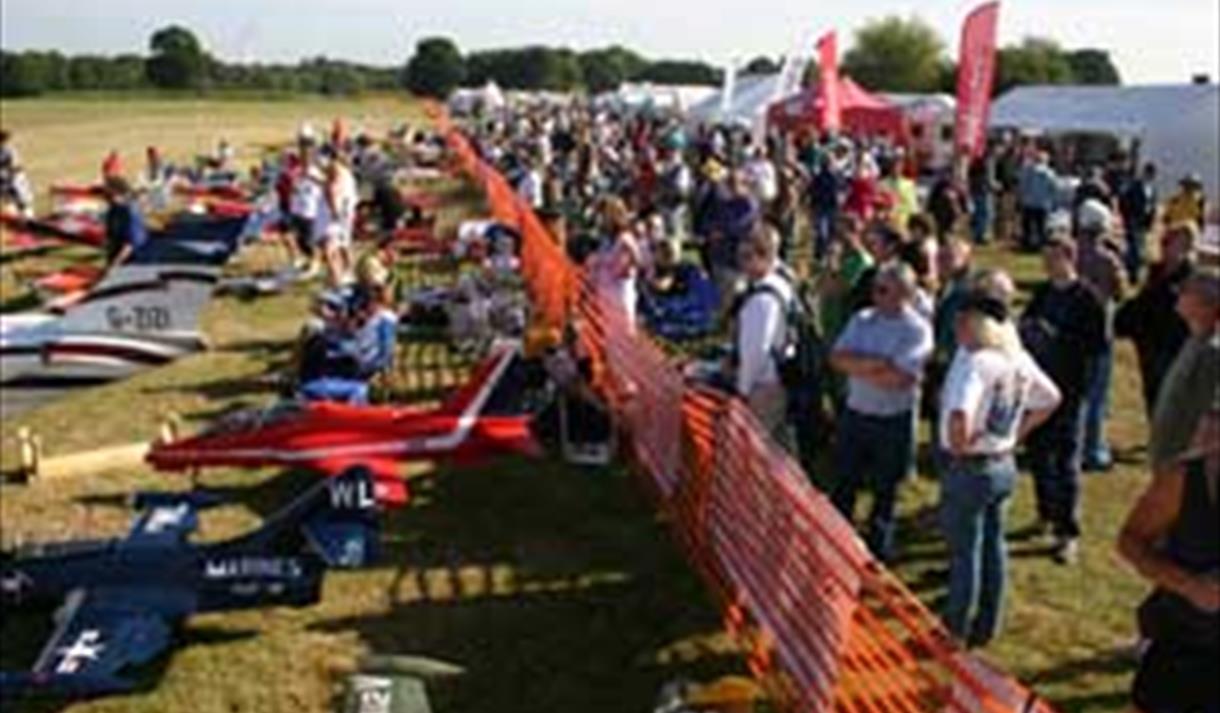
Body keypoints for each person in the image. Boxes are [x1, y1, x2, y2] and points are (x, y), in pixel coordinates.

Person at [939, 289, 1061, 646]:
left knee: (965, 553)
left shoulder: (978, 362)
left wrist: (960, 447)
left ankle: (954, 627)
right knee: (993, 546)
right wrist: (1016, 433)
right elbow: (1050, 398)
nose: (958, 327)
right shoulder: (1017, 359)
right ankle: (987, 624)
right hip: (1002, 462)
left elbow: (961, 411)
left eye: (964, 320)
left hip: (973, 465)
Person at [1118, 392, 1219, 713]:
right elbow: (1131, 541)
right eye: (1212, 419)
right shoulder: (1183, 479)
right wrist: (1189, 585)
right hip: (1183, 641)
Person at [830, 261, 934, 562]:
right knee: (845, 484)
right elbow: (837, 358)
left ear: (905, 293)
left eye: (883, 289)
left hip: (892, 421)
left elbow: (901, 379)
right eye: (875, 288)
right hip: (856, 415)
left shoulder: (917, 330)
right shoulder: (862, 319)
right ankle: (837, 543)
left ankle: (878, 553)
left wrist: (859, 365)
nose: (875, 295)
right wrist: (879, 364)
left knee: (884, 492)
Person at [1019, 236, 1107, 564]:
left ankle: (1067, 531)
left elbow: (1097, 346)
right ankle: (1046, 514)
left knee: (1066, 459)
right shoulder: (1042, 293)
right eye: (1045, 258)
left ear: (1069, 258)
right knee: (1039, 454)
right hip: (1038, 389)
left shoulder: (1087, 299)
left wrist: (1059, 338)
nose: (1047, 264)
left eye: (1053, 257)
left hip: (1069, 391)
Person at [1116, 223, 1197, 416]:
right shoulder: (1155, 274)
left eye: (1172, 243)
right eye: (1166, 242)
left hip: (1176, 346)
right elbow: (1142, 304)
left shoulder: (1191, 278)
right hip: (1151, 344)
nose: (1166, 247)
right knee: (1153, 394)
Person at [1075, 199, 1128, 471]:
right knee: (1096, 394)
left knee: (1076, 390)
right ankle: (1092, 450)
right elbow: (1121, 292)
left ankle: (1075, 442)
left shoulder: (1071, 253)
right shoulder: (1107, 259)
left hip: (1072, 329)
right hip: (1099, 332)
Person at [730, 229, 794, 448]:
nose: (742, 264)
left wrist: (742, 391)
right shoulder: (783, 283)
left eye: (747, 257)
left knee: (754, 447)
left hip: (763, 385)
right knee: (780, 445)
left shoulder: (762, 301)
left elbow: (755, 352)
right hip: (782, 377)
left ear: (764, 257)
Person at [1119, 162, 1159, 282]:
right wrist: (1127, 217)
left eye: (1152, 174)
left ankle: (1131, 269)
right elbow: (1123, 201)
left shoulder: (1153, 189)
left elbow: (1152, 205)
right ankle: (1132, 274)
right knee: (1135, 247)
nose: (1150, 176)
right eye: (1149, 173)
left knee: (1140, 246)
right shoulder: (1134, 186)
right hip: (1133, 219)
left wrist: (1151, 220)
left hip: (1144, 221)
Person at [102, 176, 148, 269]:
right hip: (119, 255)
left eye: (109, 195)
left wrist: (115, 264)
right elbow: (110, 236)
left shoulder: (131, 211)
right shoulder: (113, 209)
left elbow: (130, 245)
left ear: (119, 193)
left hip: (136, 259)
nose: (106, 198)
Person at [1018, 150, 1059, 251]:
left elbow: (1023, 186)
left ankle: (1026, 244)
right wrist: (1053, 202)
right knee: (1041, 227)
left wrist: (1022, 197)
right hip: (1043, 204)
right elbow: (1054, 188)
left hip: (1029, 203)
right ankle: (1041, 246)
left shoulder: (1027, 170)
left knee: (1027, 226)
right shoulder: (1050, 173)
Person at [0, 129, 35, 218]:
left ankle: (26, 218)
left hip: (12, 179)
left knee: (19, 202)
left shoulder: (9, 151)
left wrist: (8, 171)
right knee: (11, 200)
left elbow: (15, 166)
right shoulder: (8, 150)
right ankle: (15, 216)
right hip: (6, 180)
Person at [967, 153, 999, 245]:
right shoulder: (988, 162)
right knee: (985, 213)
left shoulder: (976, 163)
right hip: (983, 191)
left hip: (976, 190)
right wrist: (995, 186)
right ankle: (981, 235)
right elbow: (989, 179)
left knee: (979, 213)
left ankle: (977, 235)